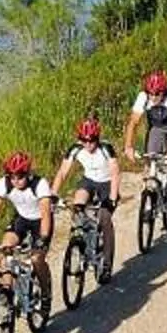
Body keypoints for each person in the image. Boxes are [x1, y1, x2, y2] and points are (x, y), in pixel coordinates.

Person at [0, 150, 55, 310]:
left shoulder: (40, 184)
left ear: (28, 173)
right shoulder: (4, 183)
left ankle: (45, 293)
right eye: (12, 176)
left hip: (41, 221)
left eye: (20, 176)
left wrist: (43, 239)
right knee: (6, 249)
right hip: (21, 219)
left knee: (37, 259)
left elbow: (45, 213)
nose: (16, 181)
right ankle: (6, 291)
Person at [51, 116, 120, 283]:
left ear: (97, 138)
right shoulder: (75, 149)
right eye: (84, 140)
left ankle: (106, 264)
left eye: (92, 140)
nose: (88, 144)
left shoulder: (106, 148)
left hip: (106, 183)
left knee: (104, 218)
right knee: (78, 208)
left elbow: (115, 173)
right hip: (89, 181)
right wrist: (53, 193)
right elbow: (62, 173)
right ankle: (78, 247)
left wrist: (112, 198)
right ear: (80, 139)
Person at [125, 69, 167, 213]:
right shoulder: (144, 97)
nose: (153, 97)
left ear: (163, 92)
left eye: (157, 94)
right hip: (157, 128)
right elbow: (133, 123)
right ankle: (149, 197)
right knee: (149, 159)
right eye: (150, 93)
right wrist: (128, 147)